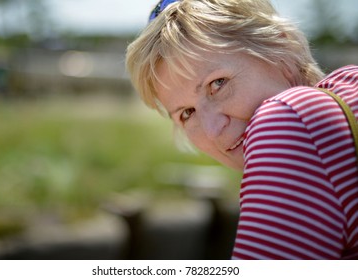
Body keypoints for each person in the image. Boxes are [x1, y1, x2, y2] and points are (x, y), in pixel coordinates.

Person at [126, 0, 358, 259]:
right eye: (187, 113)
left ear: (282, 48)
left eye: (218, 83)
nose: (213, 130)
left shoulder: (287, 120)